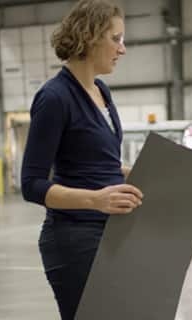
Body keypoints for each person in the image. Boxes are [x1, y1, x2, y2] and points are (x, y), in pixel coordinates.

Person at [21, 1, 143, 319]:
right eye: (116, 39)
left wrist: (135, 173)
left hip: (110, 233)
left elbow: (94, 160)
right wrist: (96, 199)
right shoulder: (54, 98)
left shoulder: (101, 91)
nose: (123, 49)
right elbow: (31, 184)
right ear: (90, 37)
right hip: (74, 240)